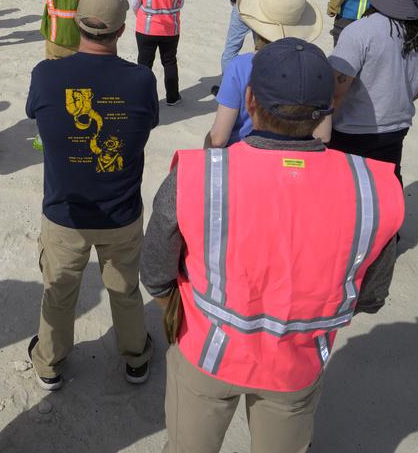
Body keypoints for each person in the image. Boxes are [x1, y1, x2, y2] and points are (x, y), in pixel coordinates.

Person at [144, 38, 403, 453]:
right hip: (297, 364)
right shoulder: (373, 188)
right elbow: (370, 297)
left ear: (249, 100)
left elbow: (155, 270)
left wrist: (171, 304)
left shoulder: (200, 174)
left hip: (208, 351)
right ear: (327, 108)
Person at [26, 0, 158, 390]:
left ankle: (50, 362)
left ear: (76, 24)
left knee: (59, 292)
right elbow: (148, 123)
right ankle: (135, 357)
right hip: (121, 214)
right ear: (121, 32)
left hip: (66, 215)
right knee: (124, 289)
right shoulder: (140, 80)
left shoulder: (46, 75)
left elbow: (35, 113)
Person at [327, 0, 418, 183]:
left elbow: (336, 92)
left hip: (351, 129)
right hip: (397, 126)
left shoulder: (360, 32)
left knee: (345, 189)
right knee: (385, 183)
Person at [208, 0, 322, 148]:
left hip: (245, 153)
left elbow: (218, 139)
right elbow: (323, 135)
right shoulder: (314, 66)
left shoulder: (241, 66)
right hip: (294, 156)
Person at [131, 0, 186, 105]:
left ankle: (142, 98)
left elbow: (134, 2)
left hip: (146, 29)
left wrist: (141, 15)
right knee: (169, 61)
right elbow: (180, 3)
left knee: (144, 63)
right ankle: (172, 96)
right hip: (170, 29)